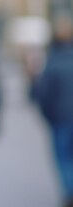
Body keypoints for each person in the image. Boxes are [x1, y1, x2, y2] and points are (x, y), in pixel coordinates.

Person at [35, 14, 73, 207]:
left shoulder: (52, 61)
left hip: (60, 119)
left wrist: (48, 115)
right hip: (60, 117)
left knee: (63, 159)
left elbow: (43, 93)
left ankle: (69, 191)